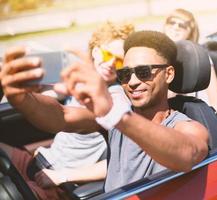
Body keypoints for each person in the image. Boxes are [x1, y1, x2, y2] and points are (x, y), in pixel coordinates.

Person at [1, 30, 209, 193]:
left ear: (169, 74)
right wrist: (21, 98)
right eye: (125, 74)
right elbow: (62, 116)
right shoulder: (118, 118)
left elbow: (187, 153)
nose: (133, 82)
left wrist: (116, 114)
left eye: (144, 72)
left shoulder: (188, 124)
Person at [0, 21, 134, 199]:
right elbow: (53, 96)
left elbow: (117, 162)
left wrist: (61, 177)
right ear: (95, 51)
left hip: (56, 183)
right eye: (107, 53)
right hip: (38, 159)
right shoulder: (80, 80)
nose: (110, 63)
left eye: (118, 60)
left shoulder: (115, 98)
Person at [163, 8, 217, 116]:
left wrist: (204, 123)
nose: (175, 27)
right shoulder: (156, 57)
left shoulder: (198, 58)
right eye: (172, 22)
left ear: (191, 32)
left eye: (182, 25)